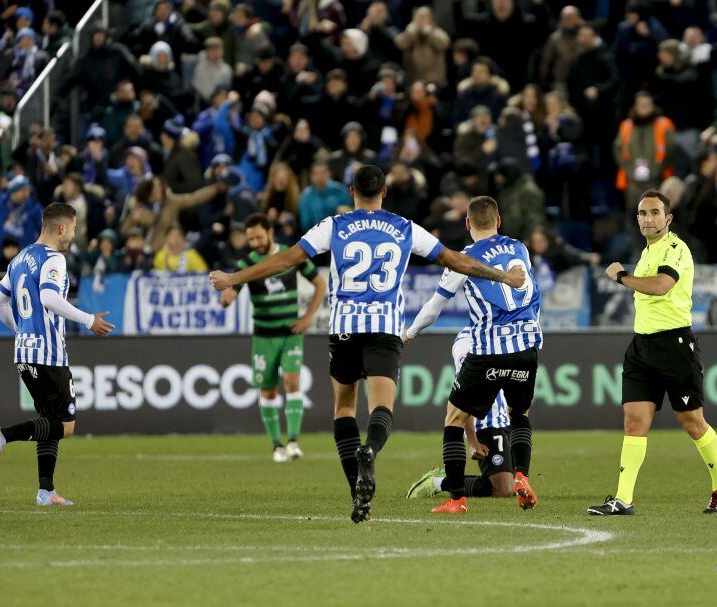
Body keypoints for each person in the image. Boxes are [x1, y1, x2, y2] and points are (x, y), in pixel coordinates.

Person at [209, 165, 525, 523]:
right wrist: (503, 276)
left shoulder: (334, 226)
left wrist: (233, 278)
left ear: (351, 192)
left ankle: (357, 495)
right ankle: (370, 450)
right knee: (381, 407)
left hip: (343, 329)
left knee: (344, 409)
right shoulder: (406, 228)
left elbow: (286, 260)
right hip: (384, 330)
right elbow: (456, 260)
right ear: (385, 192)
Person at [588, 190, 717, 516]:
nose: (648, 218)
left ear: (668, 219)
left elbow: (661, 285)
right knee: (634, 422)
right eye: (642, 213)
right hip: (642, 346)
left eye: (654, 213)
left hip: (675, 346)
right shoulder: (648, 250)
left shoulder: (676, 249)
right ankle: (624, 500)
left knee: (693, 423)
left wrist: (622, 277)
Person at [403, 196, 541, 514]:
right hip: (526, 349)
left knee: (453, 419)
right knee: (520, 414)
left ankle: (455, 499)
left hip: (489, 351)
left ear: (467, 224)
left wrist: (409, 334)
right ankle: (523, 477)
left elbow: (433, 307)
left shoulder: (463, 259)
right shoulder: (520, 247)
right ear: (499, 221)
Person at [0, 203, 115, 507]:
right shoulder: (54, 259)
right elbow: (49, 297)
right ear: (62, 228)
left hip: (24, 352)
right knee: (66, 426)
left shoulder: (19, 259)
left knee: (48, 420)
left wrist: (21, 329)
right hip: (49, 355)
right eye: (75, 228)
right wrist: (87, 319)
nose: (75, 234)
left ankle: (46, 491)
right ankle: (2, 435)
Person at [219, 213, 327, 462]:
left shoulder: (290, 256)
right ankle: (276, 445)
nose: (255, 242)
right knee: (268, 390)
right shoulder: (247, 262)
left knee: (291, 380)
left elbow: (320, 284)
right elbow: (232, 291)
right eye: (250, 239)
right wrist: (226, 299)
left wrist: (309, 317)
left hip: (290, 332)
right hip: (263, 336)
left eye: (258, 237)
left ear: (269, 232)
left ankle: (293, 442)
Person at [405, 328, 516, 501]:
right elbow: (465, 394)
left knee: (513, 485)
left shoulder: (505, 331)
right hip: (486, 422)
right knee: (504, 489)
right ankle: (437, 482)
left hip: (504, 422)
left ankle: (449, 479)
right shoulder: (467, 341)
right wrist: (473, 440)